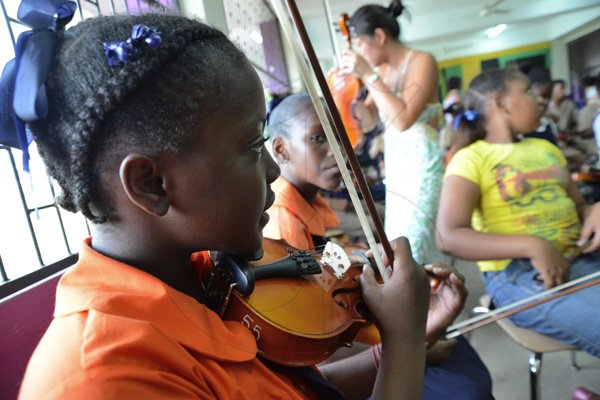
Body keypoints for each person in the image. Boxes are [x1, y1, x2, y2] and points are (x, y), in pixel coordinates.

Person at [0, 5, 441, 399]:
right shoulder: (106, 379)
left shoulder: (201, 274)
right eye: (253, 146)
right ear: (151, 184)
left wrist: (400, 345)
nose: (273, 171)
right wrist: (404, 342)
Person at [265, 93, 493, 400]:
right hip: (346, 359)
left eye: (339, 136)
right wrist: (415, 343)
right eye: (318, 138)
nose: (337, 150)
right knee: (467, 388)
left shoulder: (310, 201)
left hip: (364, 334)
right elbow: (316, 351)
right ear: (280, 149)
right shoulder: (283, 222)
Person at [436, 68, 600, 357]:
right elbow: (448, 236)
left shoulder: (545, 147)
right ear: (500, 104)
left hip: (582, 256)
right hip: (520, 273)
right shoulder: (470, 158)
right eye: (527, 91)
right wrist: (532, 245)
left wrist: (593, 211)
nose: (541, 100)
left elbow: (579, 206)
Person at [340, 0, 445, 265]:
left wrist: (367, 74)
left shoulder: (422, 61)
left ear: (379, 36)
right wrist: (346, 88)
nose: (359, 52)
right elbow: (369, 120)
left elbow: (403, 119)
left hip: (423, 167)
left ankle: (430, 296)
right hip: (397, 168)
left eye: (360, 44)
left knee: (417, 242)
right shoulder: (381, 71)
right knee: (398, 240)